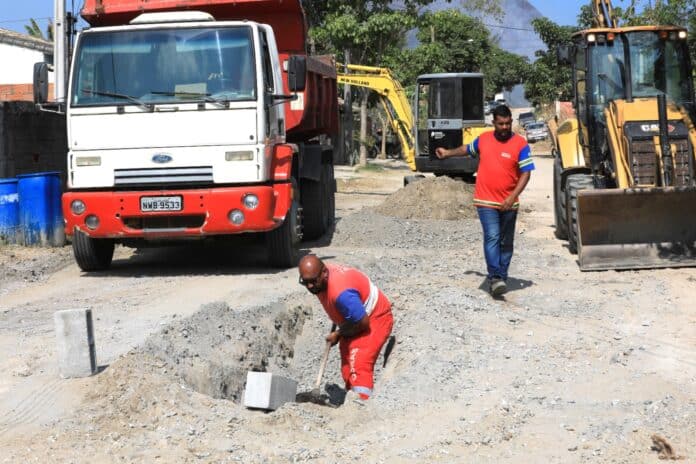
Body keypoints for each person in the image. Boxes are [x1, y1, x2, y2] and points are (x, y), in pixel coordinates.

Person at [435, 105, 535, 296]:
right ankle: (495, 277)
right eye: (501, 124)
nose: (505, 127)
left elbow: (526, 174)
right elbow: (467, 149)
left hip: (509, 202)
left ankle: (501, 277)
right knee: (492, 236)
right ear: (494, 123)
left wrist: (512, 196)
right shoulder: (484, 139)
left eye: (508, 123)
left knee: (506, 242)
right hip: (486, 201)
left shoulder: (520, 144)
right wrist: (448, 153)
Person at [298, 255, 394, 400]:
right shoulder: (319, 279)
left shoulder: (341, 294)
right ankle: (352, 398)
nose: (310, 286)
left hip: (375, 317)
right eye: (305, 282)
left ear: (324, 273)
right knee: (347, 367)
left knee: (358, 365)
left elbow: (362, 323)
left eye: (312, 281)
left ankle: (361, 406)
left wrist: (338, 334)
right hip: (354, 316)